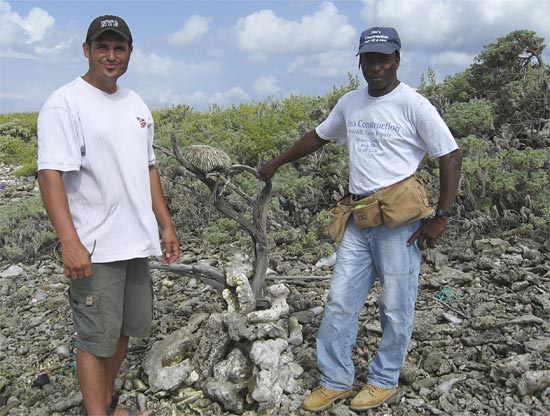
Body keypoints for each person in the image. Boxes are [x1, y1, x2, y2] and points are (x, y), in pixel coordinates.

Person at [260, 26, 462, 412]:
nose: (377, 67)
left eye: (384, 59)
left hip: (398, 222)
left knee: (395, 304)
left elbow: (450, 155)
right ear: (359, 61)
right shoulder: (351, 102)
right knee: (339, 301)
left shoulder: (414, 105)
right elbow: (318, 136)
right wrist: (277, 162)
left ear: (397, 60)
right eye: (370, 59)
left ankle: (384, 380)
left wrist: (442, 216)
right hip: (359, 217)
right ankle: (335, 380)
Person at [37, 15, 179, 416]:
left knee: (123, 332)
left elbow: (148, 167)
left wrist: (165, 224)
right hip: (94, 247)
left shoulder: (135, 104)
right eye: (103, 47)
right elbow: (49, 176)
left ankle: (104, 404)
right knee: (94, 339)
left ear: (130, 53)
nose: (111, 56)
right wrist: (70, 243)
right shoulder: (65, 103)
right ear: (87, 51)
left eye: (119, 48)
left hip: (135, 240)